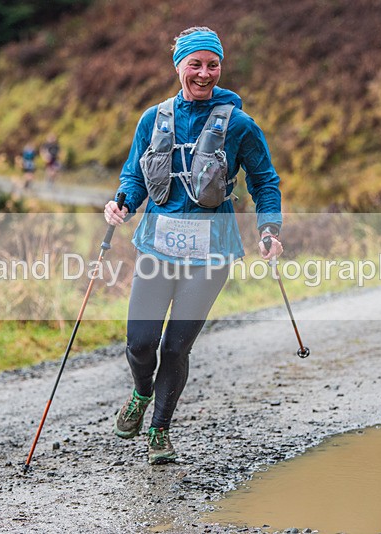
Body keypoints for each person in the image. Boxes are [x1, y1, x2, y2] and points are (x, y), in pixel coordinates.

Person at [103, 26, 283, 465]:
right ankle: (141, 393)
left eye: (212, 64)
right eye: (195, 64)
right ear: (178, 66)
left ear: (220, 67)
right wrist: (122, 201)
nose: (204, 73)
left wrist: (269, 229)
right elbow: (135, 174)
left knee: (175, 347)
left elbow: (265, 182)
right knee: (140, 343)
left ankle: (160, 431)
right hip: (157, 247)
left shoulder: (239, 125)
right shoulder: (153, 119)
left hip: (212, 252)